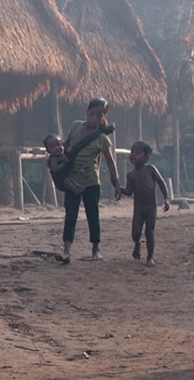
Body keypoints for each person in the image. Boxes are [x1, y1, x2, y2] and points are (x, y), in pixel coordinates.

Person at [56, 97, 120, 264]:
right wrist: (54, 155)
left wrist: (116, 182)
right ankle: (67, 251)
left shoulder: (102, 138)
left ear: (103, 117)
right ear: (87, 112)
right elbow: (66, 146)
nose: (95, 118)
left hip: (91, 181)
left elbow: (110, 161)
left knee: (93, 215)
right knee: (71, 215)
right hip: (72, 179)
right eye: (92, 113)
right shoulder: (76, 126)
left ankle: (95, 249)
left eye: (99, 115)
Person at [119, 140, 170, 267]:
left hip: (151, 207)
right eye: (132, 152)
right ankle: (137, 244)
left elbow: (161, 182)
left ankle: (150, 257)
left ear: (147, 157)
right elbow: (129, 192)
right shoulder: (130, 175)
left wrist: (166, 198)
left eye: (138, 152)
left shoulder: (150, 169)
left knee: (149, 232)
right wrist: (118, 188)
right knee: (135, 232)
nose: (133, 155)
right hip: (139, 207)